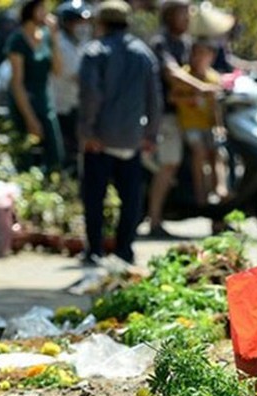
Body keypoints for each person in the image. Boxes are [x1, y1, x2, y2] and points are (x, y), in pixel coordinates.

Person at [77, 0, 161, 265]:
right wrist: (151, 134)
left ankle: (95, 249)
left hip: (100, 139)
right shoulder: (144, 54)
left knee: (94, 197)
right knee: (131, 198)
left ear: (101, 23)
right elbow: (154, 98)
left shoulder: (95, 52)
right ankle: (125, 249)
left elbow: (90, 95)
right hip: (131, 139)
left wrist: (87, 131)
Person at [145, 0, 221, 238]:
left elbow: (204, 65)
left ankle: (217, 220)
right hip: (168, 115)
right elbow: (172, 73)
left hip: (192, 115)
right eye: (182, 13)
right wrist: (201, 88)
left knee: (215, 157)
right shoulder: (161, 43)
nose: (187, 18)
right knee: (170, 163)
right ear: (169, 16)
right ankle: (155, 220)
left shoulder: (188, 43)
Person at [6, 0, 65, 171]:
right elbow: (16, 83)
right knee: (25, 159)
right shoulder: (17, 40)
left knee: (55, 157)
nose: (45, 12)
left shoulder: (46, 36)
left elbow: (58, 70)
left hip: (44, 101)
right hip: (23, 103)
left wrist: (54, 38)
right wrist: (30, 118)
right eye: (41, 8)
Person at [171, 39, 226, 205]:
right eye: (196, 53)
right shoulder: (184, 75)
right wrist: (191, 97)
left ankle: (221, 189)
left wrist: (219, 126)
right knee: (199, 152)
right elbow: (172, 97)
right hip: (189, 125)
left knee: (218, 153)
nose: (199, 58)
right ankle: (200, 193)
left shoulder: (214, 78)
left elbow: (217, 107)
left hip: (207, 125)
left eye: (204, 54)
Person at [52, 0, 93, 172]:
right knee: (68, 151)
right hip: (63, 107)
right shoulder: (61, 45)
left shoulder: (83, 43)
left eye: (85, 22)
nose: (83, 26)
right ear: (67, 23)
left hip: (77, 105)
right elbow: (79, 77)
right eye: (79, 22)